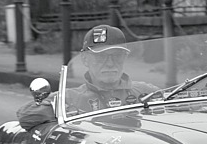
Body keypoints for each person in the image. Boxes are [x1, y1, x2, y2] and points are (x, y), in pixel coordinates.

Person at [16, 25, 157, 130]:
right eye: (100, 57)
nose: (109, 63)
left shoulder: (144, 92)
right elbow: (26, 116)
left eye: (117, 56)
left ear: (125, 58)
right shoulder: (72, 98)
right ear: (85, 60)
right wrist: (60, 109)